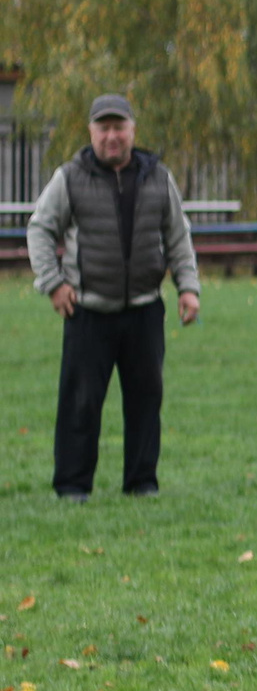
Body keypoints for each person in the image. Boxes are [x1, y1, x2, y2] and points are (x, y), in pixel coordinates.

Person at [26, 94, 202, 500]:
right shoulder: (70, 177)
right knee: (81, 403)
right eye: (103, 128)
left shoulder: (159, 178)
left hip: (144, 309)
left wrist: (188, 289)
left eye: (118, 128)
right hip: (87, 310)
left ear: (132, 131)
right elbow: (40, 228)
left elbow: (178, 237)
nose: (111, 136)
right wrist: (52, 284)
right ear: (91, 132)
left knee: (146, 400)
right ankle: (72, 486)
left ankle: (142, 483)